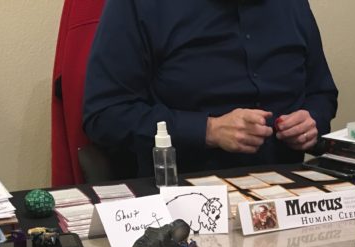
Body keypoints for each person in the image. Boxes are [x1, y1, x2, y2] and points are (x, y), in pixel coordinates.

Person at [83, 0, 338, 175]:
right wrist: (209, 130)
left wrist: (311, 121)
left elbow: (321, 93)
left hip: (289, 189)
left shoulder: (292, 5)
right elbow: (105, 115)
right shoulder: (141, 5)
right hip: (185, 190)